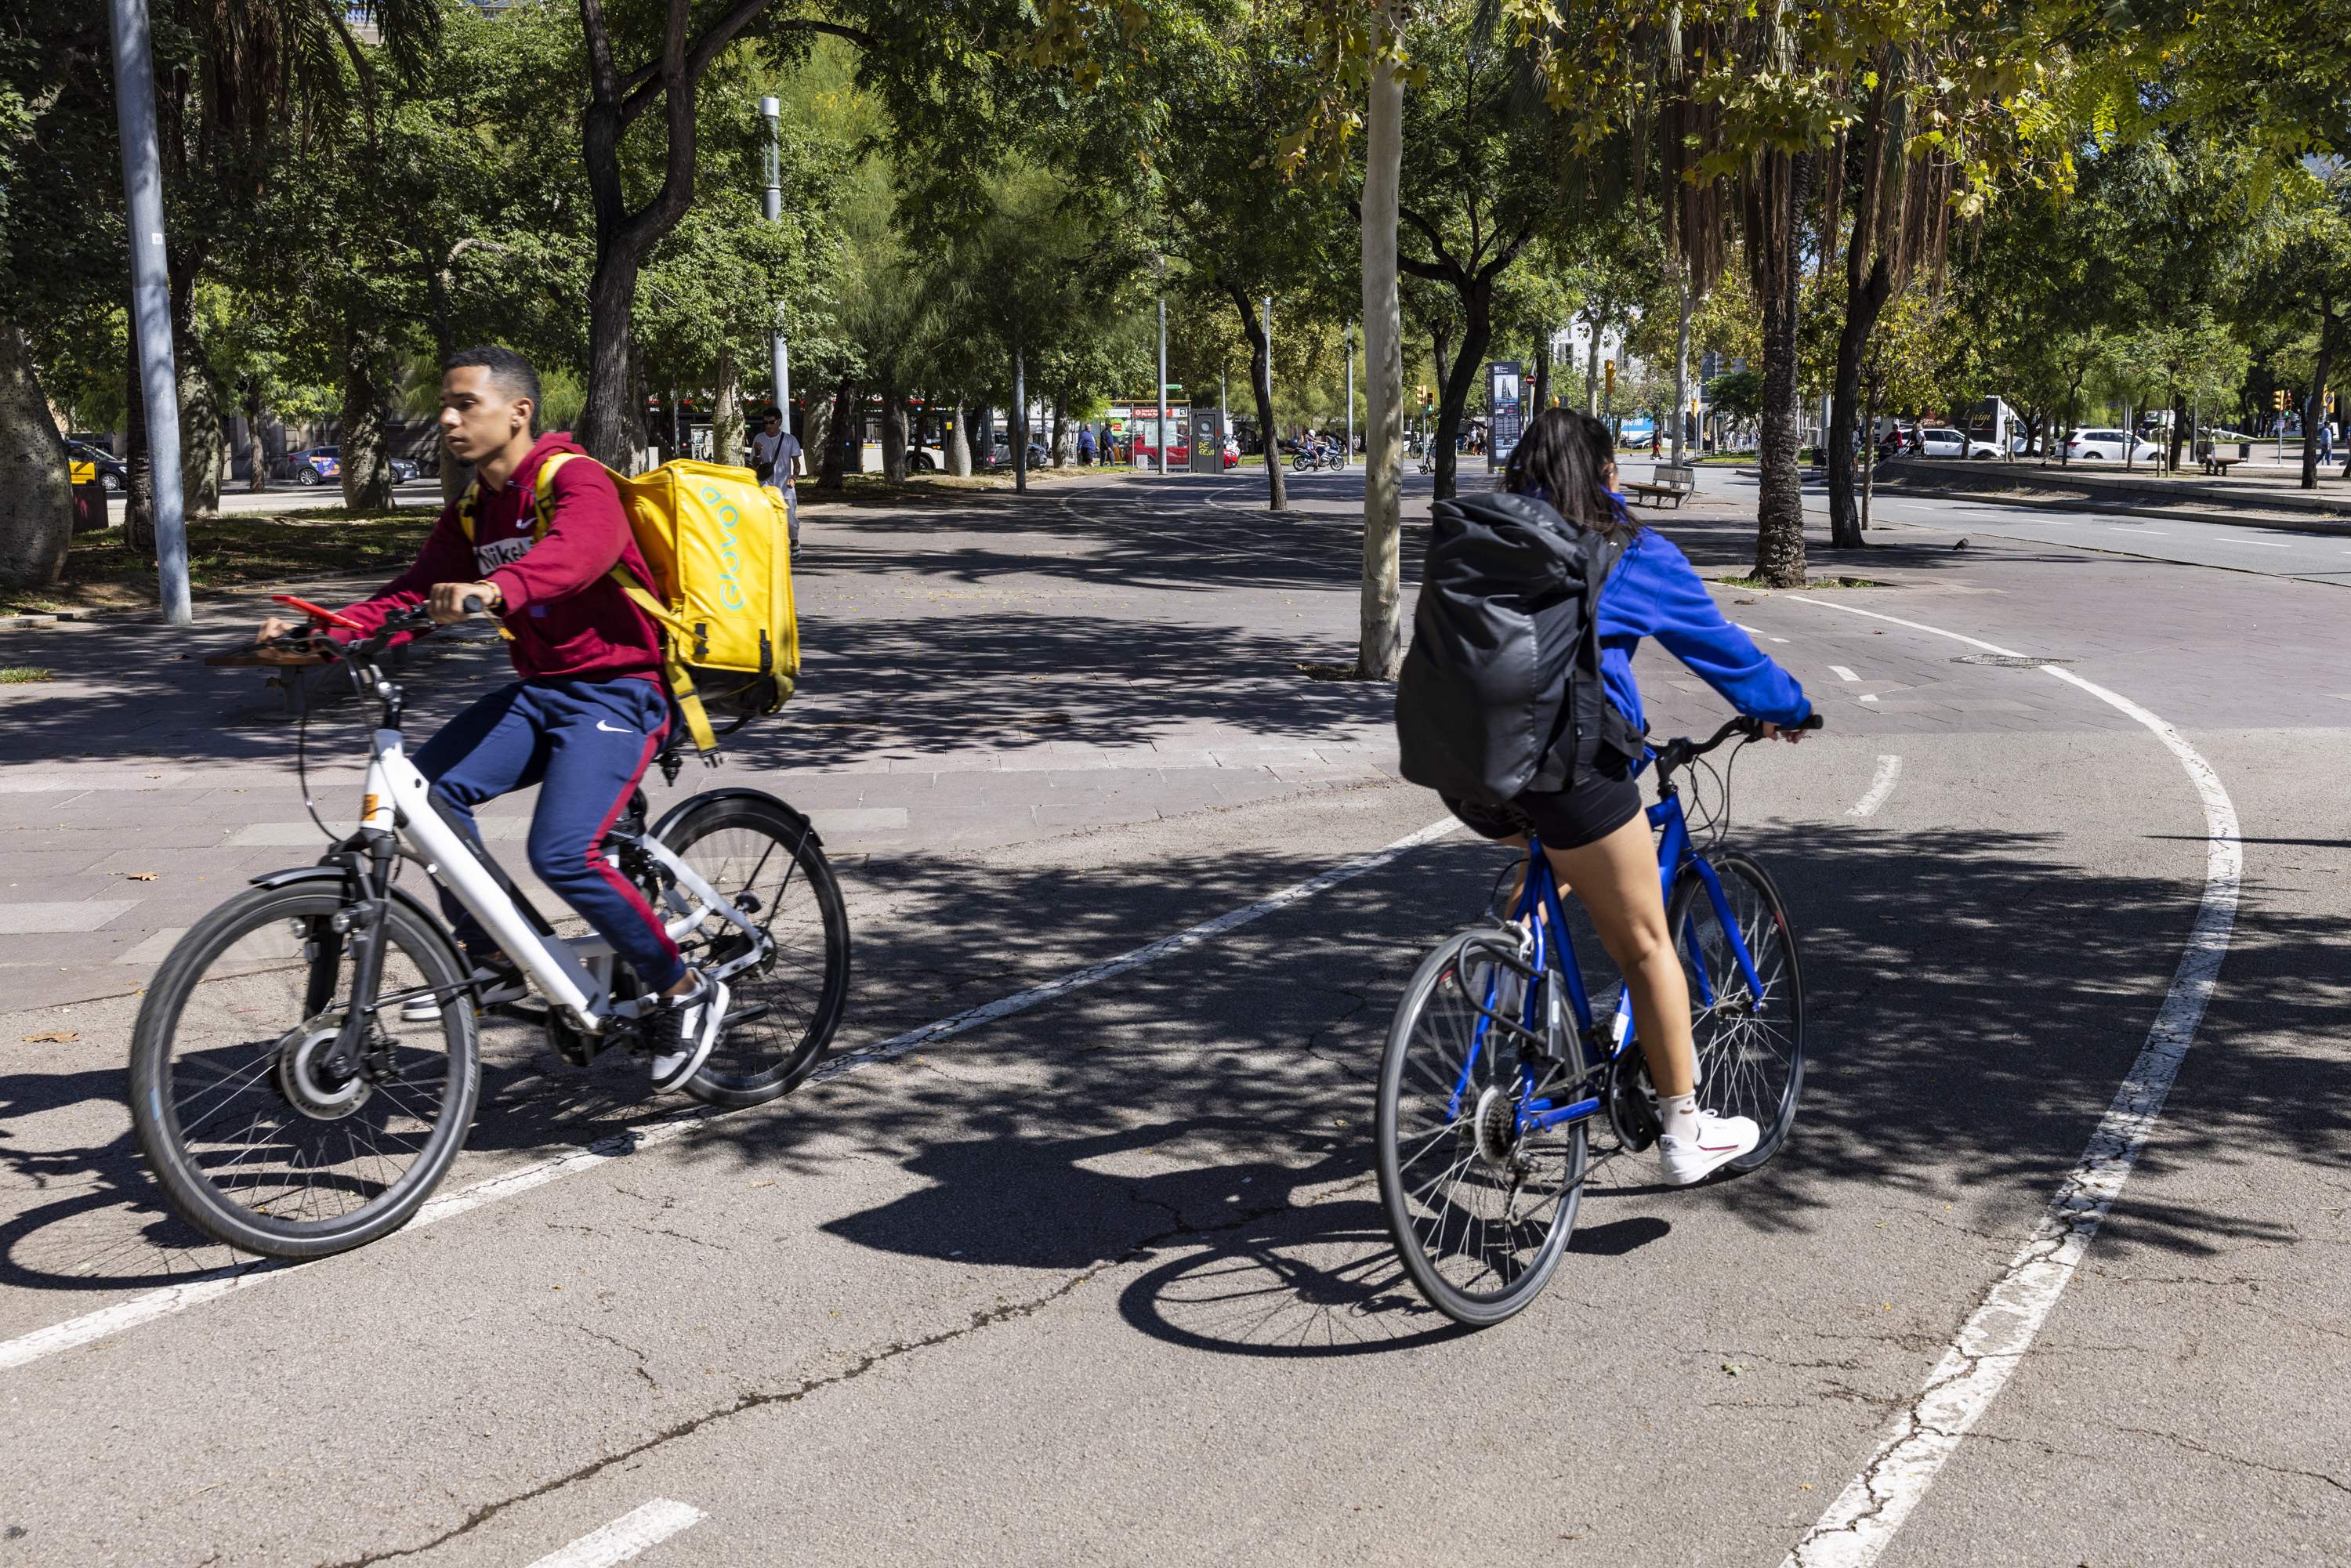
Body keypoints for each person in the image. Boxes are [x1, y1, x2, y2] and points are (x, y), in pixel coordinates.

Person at [252, 346, 730, 1093]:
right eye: (445, 404)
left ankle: (682, 989)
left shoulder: (576, 479)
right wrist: (326, 632)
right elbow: (413, 590)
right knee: (428, 794)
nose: (446, 418)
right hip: (543, 692)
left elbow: (581, 552)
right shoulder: (475, 506)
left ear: (518, 412)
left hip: (621, 691)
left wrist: (496, 589)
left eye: (464, 403)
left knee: (564, 852)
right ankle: (499, 953)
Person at [1440, 407, 1813, 1184]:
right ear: (1606, 474)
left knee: (1560, 854)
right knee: (1645, 945)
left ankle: (1509, 976)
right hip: (1568, 767)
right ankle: (1685, 1130)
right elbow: (1728, 657)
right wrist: (1788, 709)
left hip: (1468, 768)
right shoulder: (1630, 549)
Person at [750, 408, 802, 552]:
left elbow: (796, 464)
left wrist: (794, 478)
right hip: (765, 485)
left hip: (786, 488)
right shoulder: (759, 439)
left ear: (779, 422)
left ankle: (795, 542)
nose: (768, 425)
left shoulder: (789, 440)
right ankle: (770, 548)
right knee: (766, 518)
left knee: (791, 521)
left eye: (771, 422)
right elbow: (755, 464)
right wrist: (758, 452)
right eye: (765, 422)